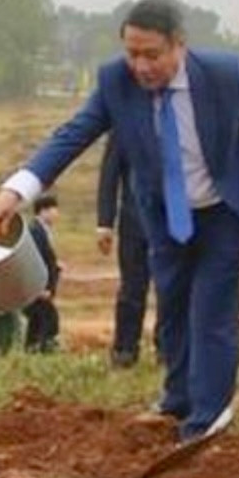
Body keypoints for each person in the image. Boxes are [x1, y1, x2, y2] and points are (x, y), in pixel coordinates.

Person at [0, 0, 239, 444]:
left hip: (225, 211)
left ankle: (205, 422)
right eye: (132, 54)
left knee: (212, 312)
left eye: (152, 55)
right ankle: (177, 399)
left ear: (179, 45)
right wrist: (16, 190)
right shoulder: (115, 83)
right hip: (163, 215)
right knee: (172, 306)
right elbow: (71, 136)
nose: (141, 66)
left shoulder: (226, 74)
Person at [96, 133, 159, 367]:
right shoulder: (124, 121)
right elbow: (110, 175)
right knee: (132, 290)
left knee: (172, 289)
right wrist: (104, 222)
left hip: (175, 223)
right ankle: (125, 349)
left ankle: (169, 349)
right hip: (134, 223)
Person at [23, 192, 63, 352]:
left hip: (40, 287)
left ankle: (31, 350)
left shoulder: (41, 229)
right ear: (43, 211)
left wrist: (56, 265)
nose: (56, 214)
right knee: (49, 319)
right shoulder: (35, 231)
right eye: (54, 209)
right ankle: (45, 350)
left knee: (36, 321)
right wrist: (41, 287)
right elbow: (35, 259)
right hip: (39, 287)